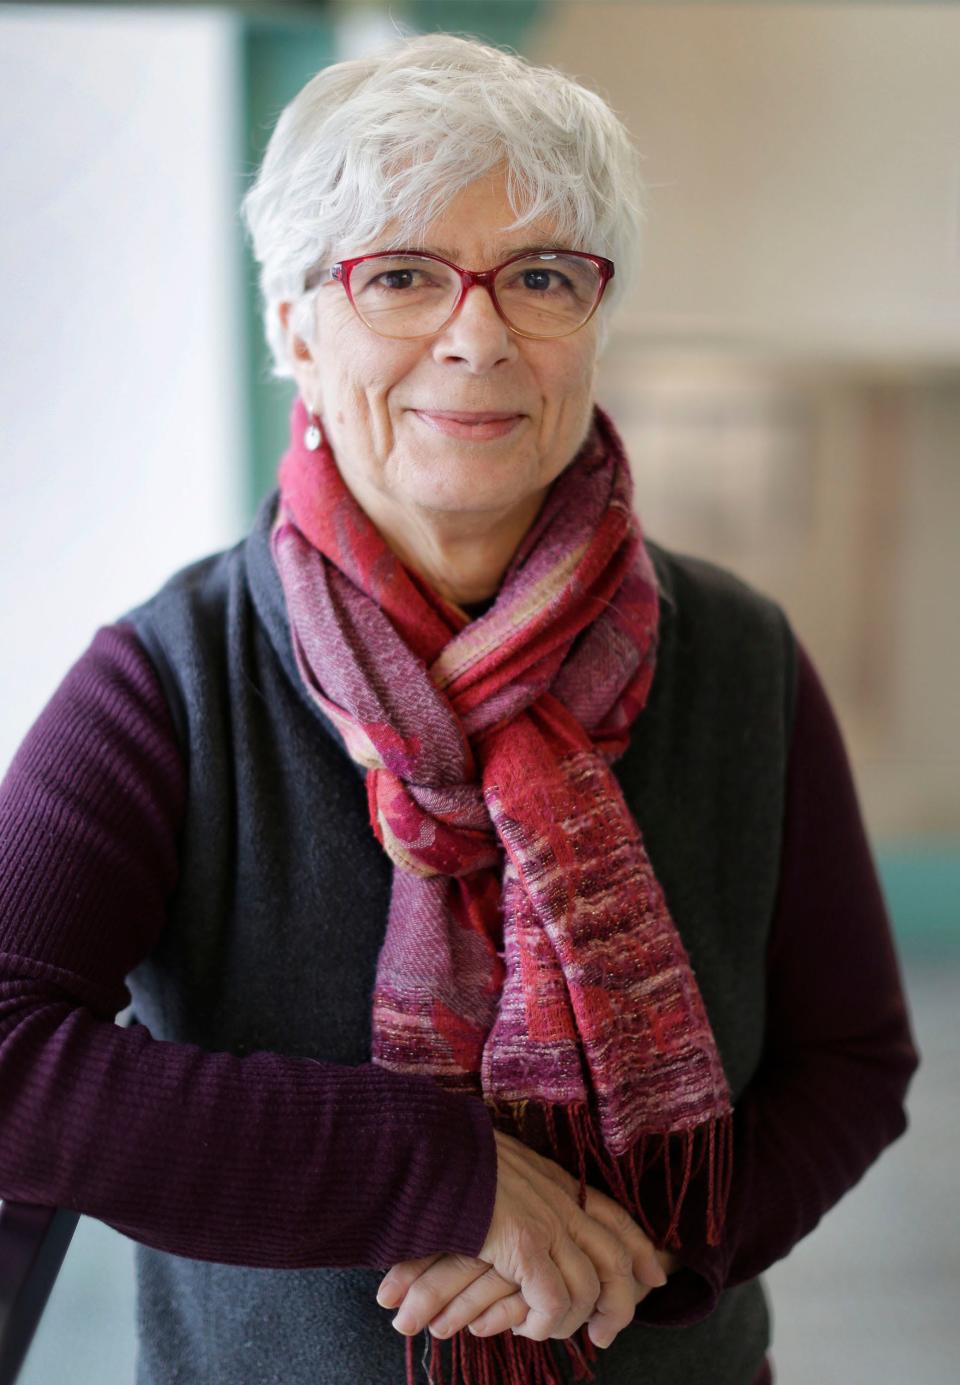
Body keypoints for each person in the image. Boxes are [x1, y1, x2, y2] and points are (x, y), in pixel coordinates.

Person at [0, 33, 920, 1385]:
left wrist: (634, 1252)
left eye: (542, 276)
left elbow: (855, 1060)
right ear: (293, 327)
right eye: (402, 276)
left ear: (591, 322)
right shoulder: (172, 681)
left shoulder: (740, 657)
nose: (478, 333)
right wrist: (440, 1177)